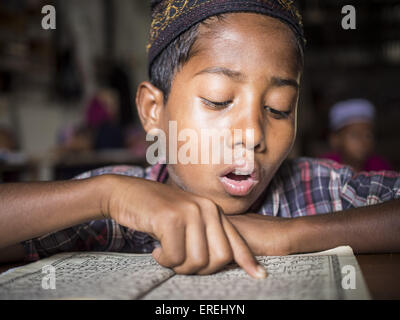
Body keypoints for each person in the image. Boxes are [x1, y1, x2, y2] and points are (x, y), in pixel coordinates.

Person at [0, 0, 399, 279]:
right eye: (218, 100)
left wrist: (291, 236)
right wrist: (104, 195)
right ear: (153, 111)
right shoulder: (116, 207)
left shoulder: (317, 188)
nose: (252, 134)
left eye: (279, 107)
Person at [321, 99, 393, 172]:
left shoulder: (380, 167)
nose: (363, 142)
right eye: (354, 135)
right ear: (335, 139)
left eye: (368, 135)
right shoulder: (325, 168)